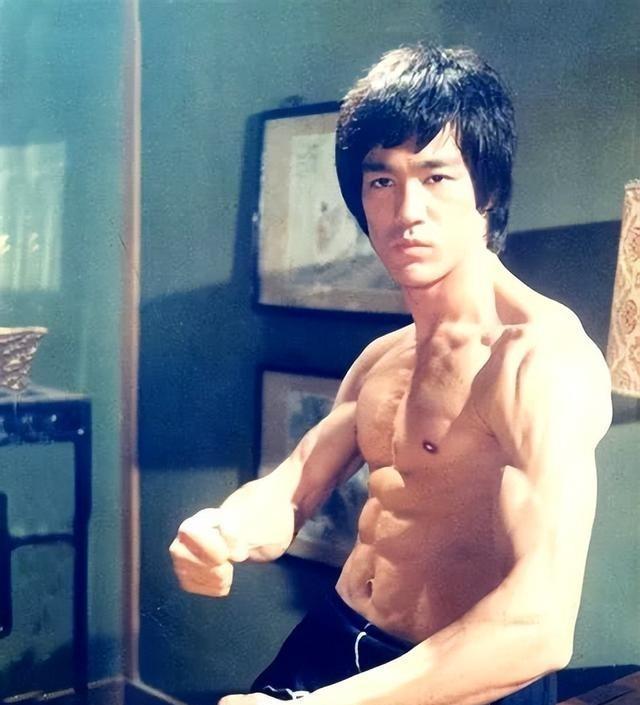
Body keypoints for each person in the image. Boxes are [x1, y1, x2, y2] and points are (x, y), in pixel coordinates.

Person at [169, 45, 612, 705]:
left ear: (487, 191)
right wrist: (222, 530)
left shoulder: (538, 361)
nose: (407, 211)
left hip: (459, 675)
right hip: (340, 633)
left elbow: (538, 627)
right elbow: (294, 487)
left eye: (436, 178)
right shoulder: (385, 356)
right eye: (382, 181)